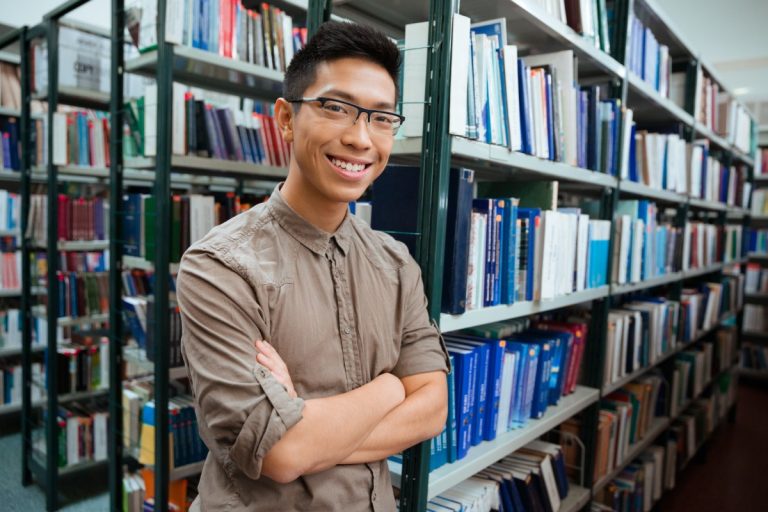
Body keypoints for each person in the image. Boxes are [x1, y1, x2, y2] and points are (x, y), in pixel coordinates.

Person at [177, 20, 450, 511]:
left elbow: (433, 409)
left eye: (382, 118)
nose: (361, 138)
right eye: (336, 108)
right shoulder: (219, 267)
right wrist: (392, 387)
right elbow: (280, 452)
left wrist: (307, 427)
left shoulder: (394, 263)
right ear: (285, 118)